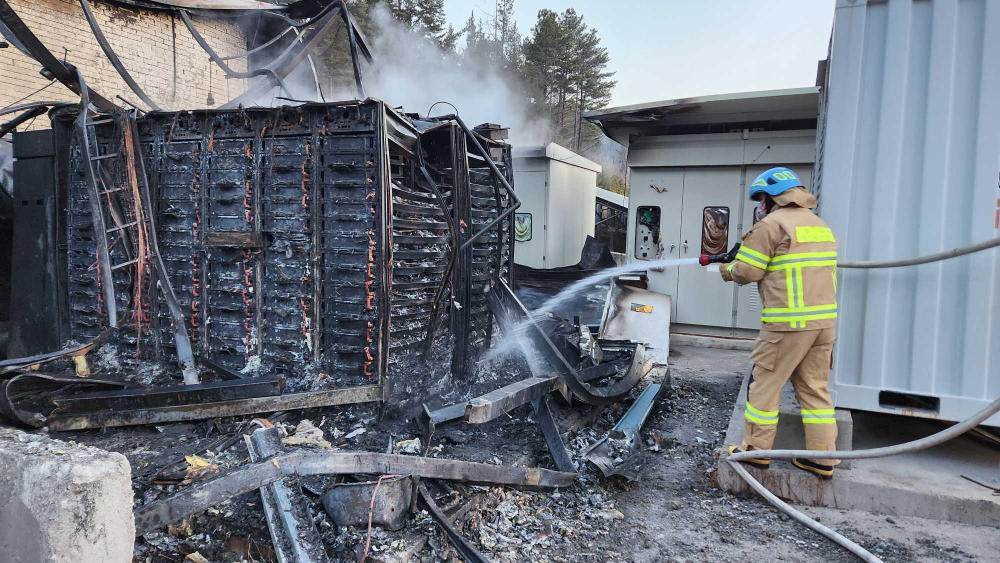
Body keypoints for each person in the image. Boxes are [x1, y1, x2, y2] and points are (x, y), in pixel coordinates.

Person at [720, 167, 840, 479]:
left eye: (760, 198)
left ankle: (756, 451)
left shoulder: (772, 224)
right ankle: (822, 458)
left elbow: (748, 273)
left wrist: (727, 268)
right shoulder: (819, 225)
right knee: (816, 390)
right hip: (823, 324)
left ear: (773, 197)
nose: (759, 206)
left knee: (765, 386)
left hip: (787, 324)